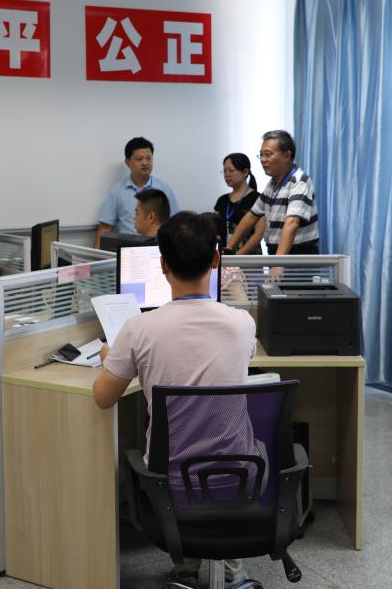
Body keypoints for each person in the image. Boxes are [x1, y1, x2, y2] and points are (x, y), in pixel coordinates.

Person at [93, 211, 257, 587]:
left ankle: (186, 566)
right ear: (215, 259)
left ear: (162, 265)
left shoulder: (138, 329)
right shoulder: (242, 324)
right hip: (238, 478)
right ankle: (230, 569)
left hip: (171, 486)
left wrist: (109, 357)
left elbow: (103, 398)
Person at [225, 130, 319, 256]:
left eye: (268, 155)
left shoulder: (299, 182)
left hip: (297, 256)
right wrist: (229, 248)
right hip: (278, 253)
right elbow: (251, 216)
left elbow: (292, 223)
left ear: (287, 156)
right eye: (261, 155)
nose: (263, 160)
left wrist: (278, 262)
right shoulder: (273, 184)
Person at [96, 136, 179, 247]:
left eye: (148, 158)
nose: (145, 163)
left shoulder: (163, 188)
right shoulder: (117, 191)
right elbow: (105, 228)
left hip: (158, 248)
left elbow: (176, 223)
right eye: (139, 159)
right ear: (128, 162)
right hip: (126, 249)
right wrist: (97, 256)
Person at [214, 153, 264, 254]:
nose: (227, 174)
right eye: (224, 171)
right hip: (225, 255)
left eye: (231, 170)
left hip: (248, 257)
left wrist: (237, 256)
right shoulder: (222, 200)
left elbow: (259, 234)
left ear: (245, 172)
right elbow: (214, 229)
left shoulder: (257, 198)